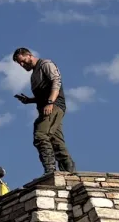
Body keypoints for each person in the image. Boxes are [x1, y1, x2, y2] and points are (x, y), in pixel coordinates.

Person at [12, 46, 75, 175]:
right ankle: (69, 173)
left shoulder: (45, 64)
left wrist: (50, 102)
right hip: (46, 108)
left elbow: (56, 81)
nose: (22, 65)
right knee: (56, 141)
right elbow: (42, 96)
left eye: (23, 61)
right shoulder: (34, 75)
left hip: (54, 106)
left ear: (29, 55)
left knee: (40, 134)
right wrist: (29, 100)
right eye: (20, 63)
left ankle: (50, 169)